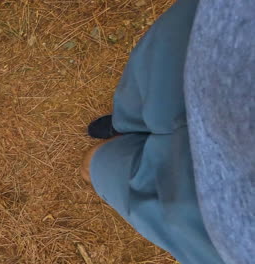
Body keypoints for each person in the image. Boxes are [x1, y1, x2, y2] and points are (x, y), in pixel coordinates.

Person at [82, 0, 255, 263]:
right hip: (226, 34)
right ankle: (125, 124)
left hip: (219, 218)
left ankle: (127, 131)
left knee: (98, 163)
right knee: (149, 80)